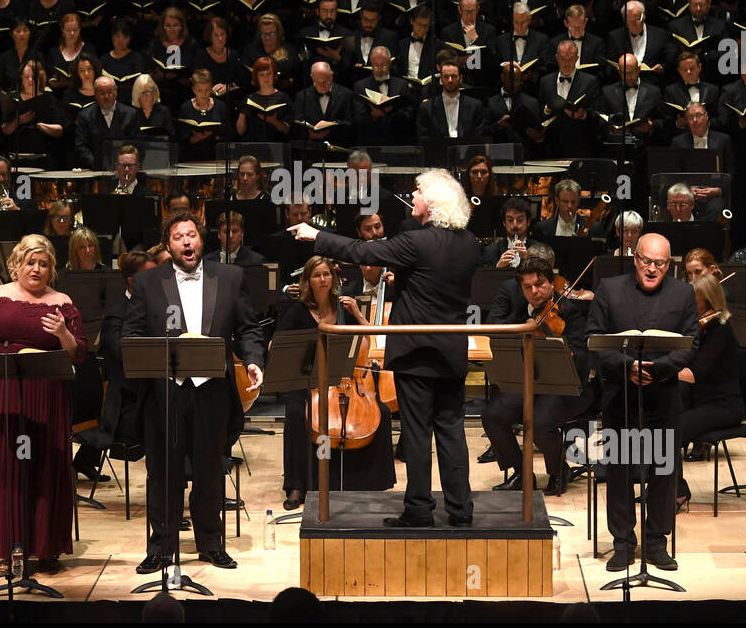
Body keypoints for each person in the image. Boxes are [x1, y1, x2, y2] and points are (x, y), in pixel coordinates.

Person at [289, 168, 480, 528]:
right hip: (451, 350)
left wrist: (316, 234)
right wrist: (406, 277)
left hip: (415, 353)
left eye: (419, 192)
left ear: (433, 203)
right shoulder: (469, 243)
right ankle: (460, 509)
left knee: (418, 434)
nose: (414, 197)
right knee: (452, 431)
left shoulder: (416, 240)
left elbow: (363, 251)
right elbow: (434, 282)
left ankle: (420, 510)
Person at [124, 211, 265, 572]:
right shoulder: (147, 283)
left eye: (191, 235)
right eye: (178, 237)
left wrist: (253, 360)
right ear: (168, 245)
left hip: (212, 389)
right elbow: (132, 336)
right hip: (166, 392)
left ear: (202, 239)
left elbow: (249, 327)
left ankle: (211, 543)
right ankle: (161, 546)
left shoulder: (230, 277)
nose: (186, 241)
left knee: (210, 468)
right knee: (163, 471)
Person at [0, 235, 87, 575]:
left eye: (44, 264)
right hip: (1, 398)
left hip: (45, 398)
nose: (37, 269)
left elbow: (80, 353)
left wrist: (63, 333)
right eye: (30, 262)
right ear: (17, 264)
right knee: (9, 469)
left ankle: (45, 545)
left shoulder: (62, 302)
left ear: (52, 269)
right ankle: (10, 547)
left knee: (42, 467)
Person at [586, 232, 698, 571]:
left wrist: (658, 370)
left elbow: (690, 344)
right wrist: (628, 367)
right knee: (619, 471)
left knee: (664, 471)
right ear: (635, 259)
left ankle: (655, 542)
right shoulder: (609, 288)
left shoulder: (684, 292)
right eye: (646, 261)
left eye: (660, 263)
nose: (652, 268)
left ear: (669, 265)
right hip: (621, 395)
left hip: (663, 396)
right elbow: (594, 339)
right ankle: (623, 543)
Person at [276, 256, 396, 509]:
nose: (323, 280)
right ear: (308, 280)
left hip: (347, 381)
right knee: (297, 413)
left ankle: (374, 482)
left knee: (383, 413)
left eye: (327, 274)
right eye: (317, 275)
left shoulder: (344, 307)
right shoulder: (297, 311)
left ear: (333, 278)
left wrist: (356, 313)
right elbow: (277, 347)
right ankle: (298, 485)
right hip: (309, 382)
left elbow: (372, 338)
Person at [482, 257, 590, 495]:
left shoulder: (570, 313)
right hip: (531, 386)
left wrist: (548, 332)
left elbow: (580, 358)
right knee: (492, 415)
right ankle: (520, 472)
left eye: (540, 284)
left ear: (552, 284)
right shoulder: (520, 314)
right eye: (527, 287)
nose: (534, 291)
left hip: (568, 389)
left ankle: (558, 471)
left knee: (539, 423)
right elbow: (502, 342)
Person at [676, 274, 744, 501]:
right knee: (661, 420)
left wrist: (662, 370)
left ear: (709, 301)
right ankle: (663, 488)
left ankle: (676, 491)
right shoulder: (699, 329)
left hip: (724, 405)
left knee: (672, 429)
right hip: (701, 402)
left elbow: (694, 374)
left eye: (693, 301)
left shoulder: (719, 331)